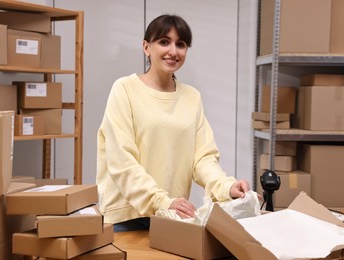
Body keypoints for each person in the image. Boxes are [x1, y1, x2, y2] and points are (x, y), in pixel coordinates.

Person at [96, 14, 250, 232]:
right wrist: (161, 201)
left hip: (172, 215)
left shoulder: (191, 97)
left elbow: (202, 158)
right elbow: (121, 160)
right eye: (164, 42)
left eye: (181, 44)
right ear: (146, 47)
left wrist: (227, 187)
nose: (173, 51)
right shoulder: (124, 89)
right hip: (127, 215)